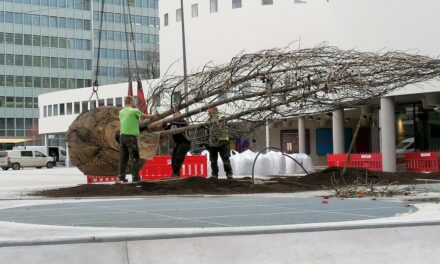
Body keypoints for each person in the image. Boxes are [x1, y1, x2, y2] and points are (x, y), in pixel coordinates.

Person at [118, 96, 152, 183]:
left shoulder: (121, 112)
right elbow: (145, 117)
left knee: (123, 157)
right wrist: (153, 115)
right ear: (131, 102)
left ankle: (121, 177)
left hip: (122, 136)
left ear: (125, 102)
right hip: (131, 136)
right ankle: (135, 177)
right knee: (135, 157)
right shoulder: (134, 111)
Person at [206, 107, 233, 180]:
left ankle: (229, 174)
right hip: (213, 143)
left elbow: (222, 126)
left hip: (222, 141)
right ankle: (214, 174)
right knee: (213, 160)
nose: (208, 112)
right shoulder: (208, 120)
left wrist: (217, 122)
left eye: (209, 111)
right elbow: (207, 133)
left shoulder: (221, 117)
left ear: (215, 111)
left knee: (225, 159)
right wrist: (207, 143)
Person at [163, 110, 191, 178]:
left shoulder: (182, 121)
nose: (174, 116)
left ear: (180, 115)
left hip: (185, 142)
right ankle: (176, 173)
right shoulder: (172, 123)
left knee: (178, 157)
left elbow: (182, 123)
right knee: (173, 158)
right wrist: (163, 124)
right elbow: (167, 129)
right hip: (178, 143)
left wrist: (171, 120)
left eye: (176, 114)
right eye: (174, 115)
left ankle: (175, 173)